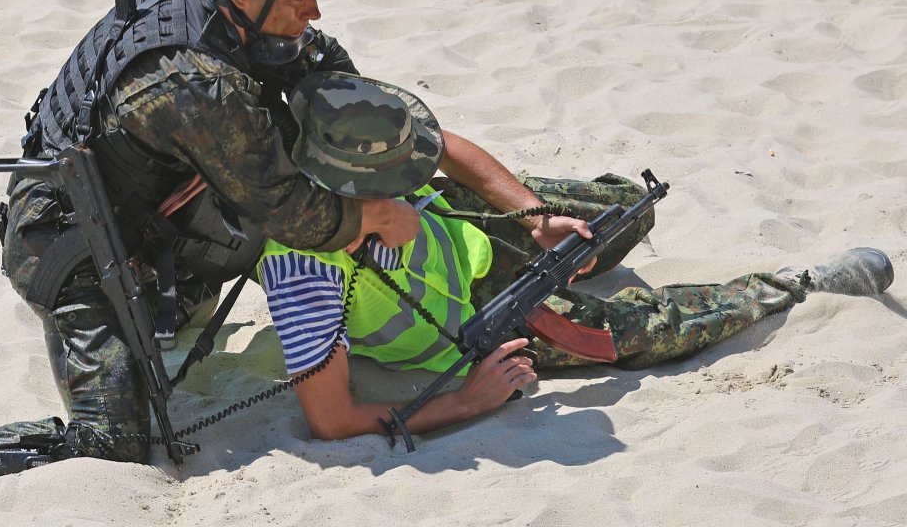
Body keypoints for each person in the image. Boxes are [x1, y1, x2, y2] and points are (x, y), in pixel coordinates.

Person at [0, 0, 611, 485]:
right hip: (82, 256)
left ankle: (555, 216)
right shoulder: (191, 84)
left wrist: (530, 214)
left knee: (551, 217)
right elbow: (295, 215)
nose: (315, 15)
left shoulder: (241, 20)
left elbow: (347, 102)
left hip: (184, 220)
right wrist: (371, 216)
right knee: (116, 441)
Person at [255, 72, 895, 441]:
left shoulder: (351, 132)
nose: (411, 166)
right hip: (475, 321)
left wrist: (534, 217)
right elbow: (332, 420)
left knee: (627, 206)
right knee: (635, 329)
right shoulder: (303, 266)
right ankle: (794, 285)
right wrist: (467, 402)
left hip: (473, 230)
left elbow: (447, 148)